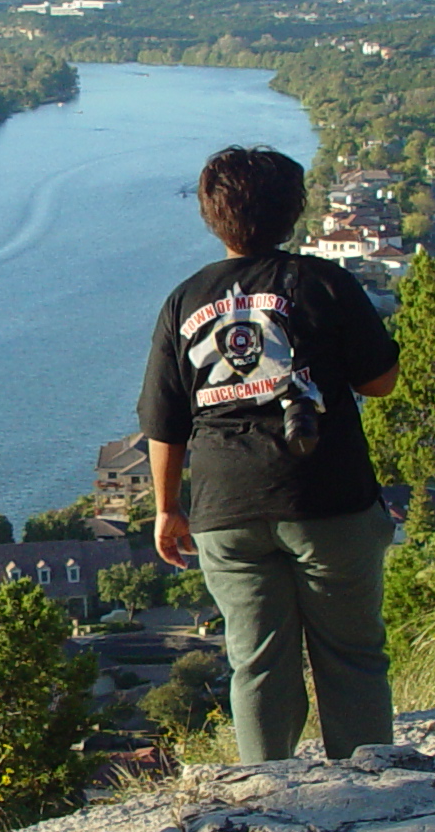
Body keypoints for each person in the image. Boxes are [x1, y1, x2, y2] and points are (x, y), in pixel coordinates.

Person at [139, 146, 401, 761]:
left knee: (255, 662)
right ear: (292, 215)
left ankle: (269, 794)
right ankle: (372, 788)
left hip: (225, 505)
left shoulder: (183, 301)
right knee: (352, 655)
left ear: (211, 216)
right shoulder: (323, 283)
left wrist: (165, 508)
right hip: (326, 496)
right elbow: (380, 380)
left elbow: (163, 421)